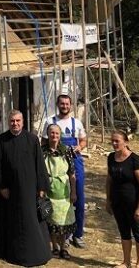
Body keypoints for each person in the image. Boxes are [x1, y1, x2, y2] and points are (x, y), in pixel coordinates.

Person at [0, 110, 51, 266]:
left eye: (18, 121)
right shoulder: (1, 140)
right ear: (8, 122)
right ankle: (14, 254)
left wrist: (41, 186)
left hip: (30, 188)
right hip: (11, 190)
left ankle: (36, 252)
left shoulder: (32, 139)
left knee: (31, 219)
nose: (15, 124)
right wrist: (2, 186)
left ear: (23, 122)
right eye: (12, 121)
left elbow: (39, 164)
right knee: (13, 221)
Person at [50, 94, 88, 248]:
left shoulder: (76, 123)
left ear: (71, 105)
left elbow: (84, 140)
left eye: (67, 104)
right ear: (57, 104)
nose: (64, 106)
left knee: (78, 198)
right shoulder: (50, 121)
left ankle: (77, 235)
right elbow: (45, 143)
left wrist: (78, 147)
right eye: (62, 103)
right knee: (60, 200)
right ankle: (62, 235)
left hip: (75, 162)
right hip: (57, 165)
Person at [106, 130, 139, 268]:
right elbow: (109, 180)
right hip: (117, 202)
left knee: (138, 233)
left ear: (125, 142)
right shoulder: (110, 157)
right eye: (112, 141)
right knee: (124, 231)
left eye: (117, 141)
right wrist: (108, 200)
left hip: (133, 203)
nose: (114, 143)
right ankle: (126, 262)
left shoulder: (135, 160)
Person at [42, 123, 77, 260]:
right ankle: (54, 247)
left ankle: (63, 248)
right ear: (48, 134)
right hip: (48, 190)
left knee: (63, 221)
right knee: (51, 220)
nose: (54, 136)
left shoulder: (66, 150)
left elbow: (72, 173)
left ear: (60, 134)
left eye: (56, 133)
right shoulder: (42, 150)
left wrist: (73, 192)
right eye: (51, 133)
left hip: (64, 191)